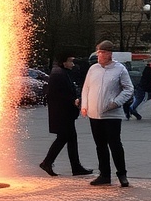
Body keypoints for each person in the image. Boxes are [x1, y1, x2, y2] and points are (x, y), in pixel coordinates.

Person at [81, 40, 134, 187]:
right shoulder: (93, 69)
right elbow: (86, 88)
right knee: (100, 145)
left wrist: (116, 102)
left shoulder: (119, 69)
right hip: (94, 114)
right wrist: (85, 105)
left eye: (103, 52)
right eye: (98, 52)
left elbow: (129, 89)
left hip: (112, 114)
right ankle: (104, 175)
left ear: (110, 54)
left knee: (115, 144)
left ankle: (122, 174)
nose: (100, 55)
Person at [39, 51, 93, 176]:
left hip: (64, 113)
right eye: (71, 61)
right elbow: (59, 95)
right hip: (62, 114)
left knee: (71, 139)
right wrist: (73, 101)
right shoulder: (59, 74)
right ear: (64, 62)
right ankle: (47, 162)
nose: (73, 64)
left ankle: (75, 167)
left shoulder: (61, 72)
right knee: (63, 138)